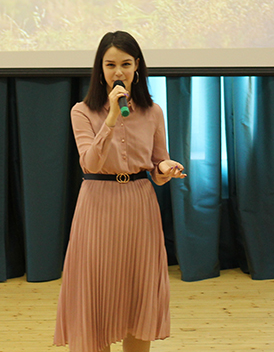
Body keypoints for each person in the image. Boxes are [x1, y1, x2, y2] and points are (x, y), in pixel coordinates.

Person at [54, 31, 187, 352]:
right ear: (100, 69)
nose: (118, 72)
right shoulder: (81, 111)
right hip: (97, 206)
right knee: (96, 293)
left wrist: (165, 168)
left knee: (139, 292)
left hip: (140, 205)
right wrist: (111, 118)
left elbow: (156, 165)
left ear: (137, 66)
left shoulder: (153, 111)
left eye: (126, 64)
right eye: (110, 64)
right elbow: (90, 163)